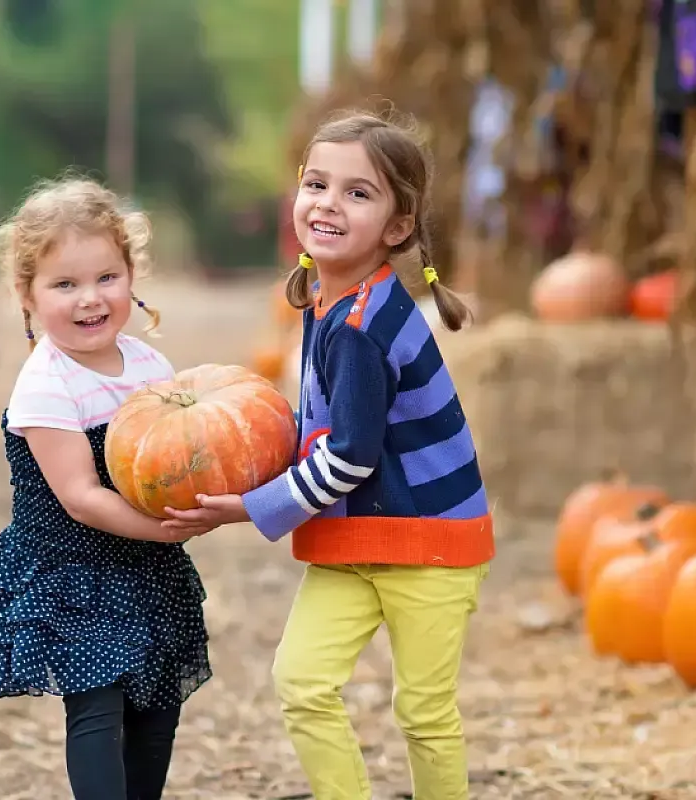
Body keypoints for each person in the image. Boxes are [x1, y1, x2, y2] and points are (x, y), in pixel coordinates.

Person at [164, 110, 496, 800]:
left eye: (357, 193)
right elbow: (324, 426)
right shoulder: (330, 304)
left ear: (398, 227)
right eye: (316, 184)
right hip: (360, 537)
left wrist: (249, 505)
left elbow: (349, 458)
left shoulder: (361, 329)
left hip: (429, 544)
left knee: (424, 711)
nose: (328, 203)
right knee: (302, 681)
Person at [0, 176, 214, 800]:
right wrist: (165, 529)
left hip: (146, 566)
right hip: (74, 569)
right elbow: (80, 496)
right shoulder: (47, 385)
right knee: (98, 711)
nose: (90, 299)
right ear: (26, 293)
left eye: (107, 277)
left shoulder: (150, 367)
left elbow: (173, 453)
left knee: (157, 709)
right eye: (65, 284)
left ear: (132, 275)